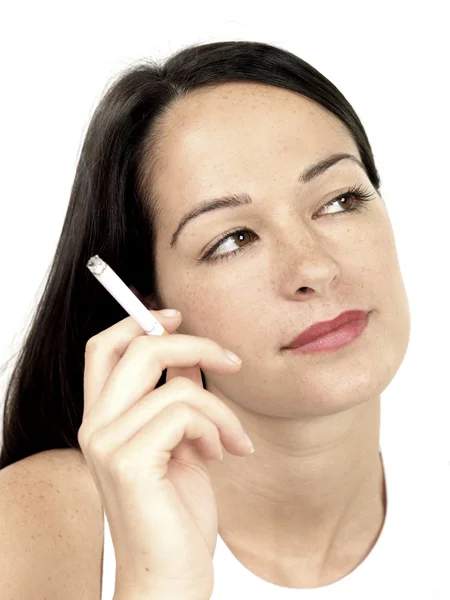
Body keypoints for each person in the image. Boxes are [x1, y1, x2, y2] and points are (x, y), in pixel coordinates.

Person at [0, 40, 448, 600]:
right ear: (145, 307)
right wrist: (158, 582)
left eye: (339, 200)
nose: (314, 267)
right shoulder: (32, 526)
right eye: (233, 239)